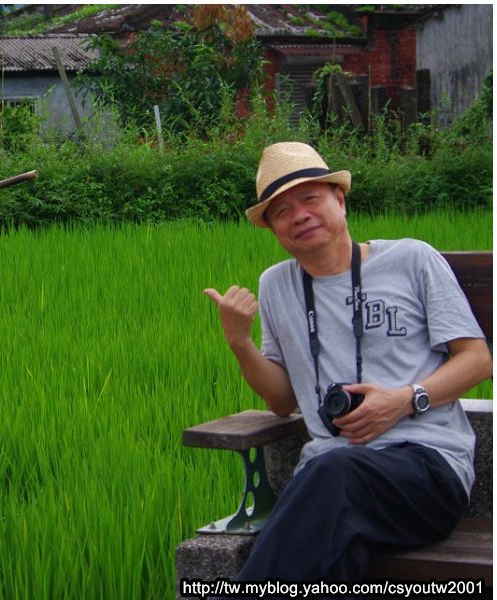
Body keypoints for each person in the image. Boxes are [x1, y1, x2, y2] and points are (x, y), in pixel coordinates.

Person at [203, 141, 492, 582]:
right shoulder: (277, 286)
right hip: (327, 478)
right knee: (334, 557)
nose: (298, 214)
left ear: (339, 199)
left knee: (332, 478)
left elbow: (477, 360)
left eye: (310, 198)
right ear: (273, 230)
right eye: (280, 211)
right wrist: (239, 341)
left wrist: (403, 400)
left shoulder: (412, 259)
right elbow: (283, 402)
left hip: (426, 469)